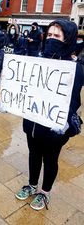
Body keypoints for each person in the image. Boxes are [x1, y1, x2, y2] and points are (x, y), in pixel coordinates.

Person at [15, 19, 83, 210]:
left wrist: (65, 121)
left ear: (67, 39)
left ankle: (44, 193)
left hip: (55, 126)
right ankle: (32, 184)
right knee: (33, 155)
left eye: (57, 36)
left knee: (50, 160)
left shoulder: (74, 68)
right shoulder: (37, 60)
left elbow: (75, 101)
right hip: (33, 122)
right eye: (50, 35)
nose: (52, 39)